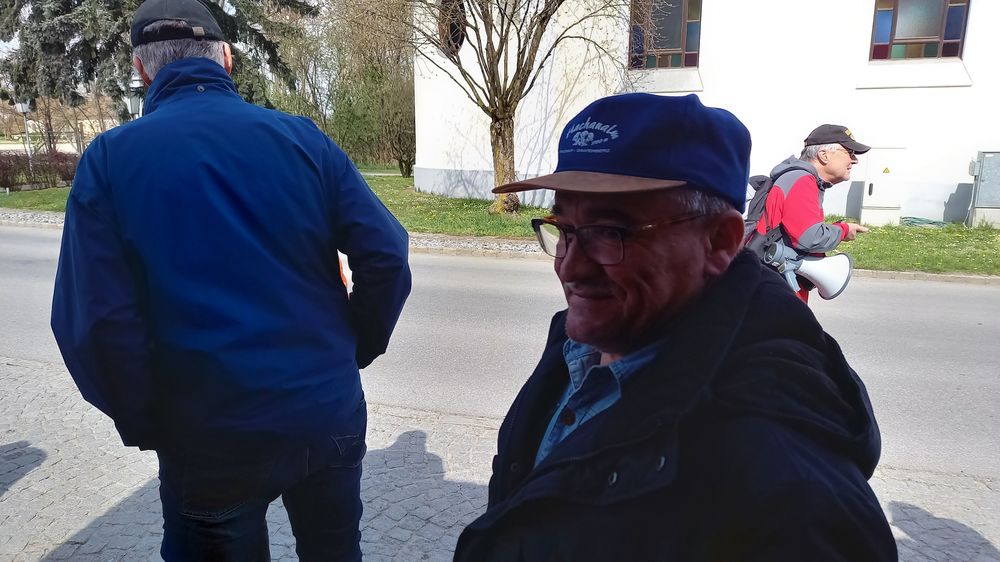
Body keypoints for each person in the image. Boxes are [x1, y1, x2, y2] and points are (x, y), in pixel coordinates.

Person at [453, 93, 896, 561]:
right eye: (563, 229)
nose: (570, 267)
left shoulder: (788, 493)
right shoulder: (581, 342)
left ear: (719, 242)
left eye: (610, 233)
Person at [50, 0, 411, 559]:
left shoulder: (111, 160)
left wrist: (147, 420)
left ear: (142, 69)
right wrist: (354, 348)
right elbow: (386, 253)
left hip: (208, 435)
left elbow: (95, 323)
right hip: (325, 411)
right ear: (226, 59)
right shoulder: (302, 139)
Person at [757, 124, 871, 302]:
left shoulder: (799, 178)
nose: (855, 160)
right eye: (849, 153)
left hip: (775, 284)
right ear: (823, 155)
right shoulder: (802, 180)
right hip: (779, 290)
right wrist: (843, 230)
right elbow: (810, 237)